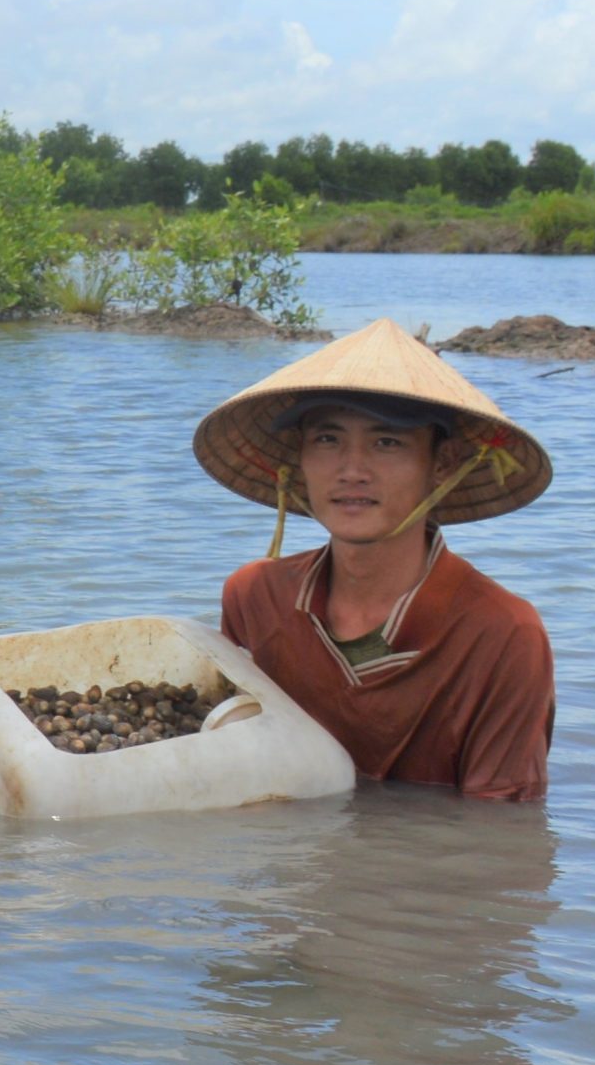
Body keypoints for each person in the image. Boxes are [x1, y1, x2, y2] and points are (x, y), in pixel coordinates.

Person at [192, 317, 554, 801]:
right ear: (299, 460)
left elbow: (495, 834)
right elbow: (235, 761)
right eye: (327, 440)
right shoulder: (255, 595)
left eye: (388, 442)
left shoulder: (503, 632)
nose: (352, 471)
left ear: (440, 465)